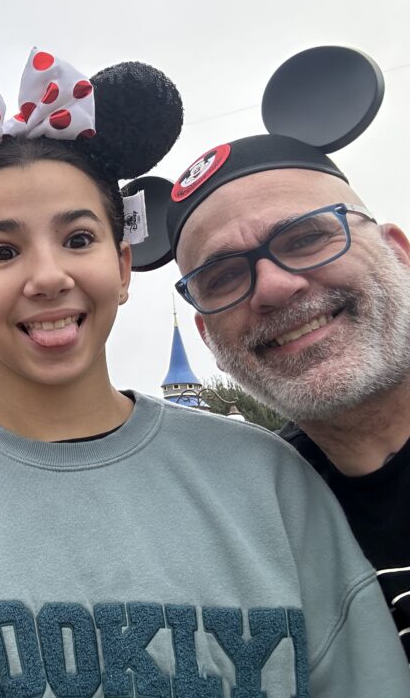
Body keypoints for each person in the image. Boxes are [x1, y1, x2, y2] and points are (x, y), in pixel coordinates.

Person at [0, 50, 410, 695]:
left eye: (77, 239)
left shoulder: (268, 480)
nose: (48, 277)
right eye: (3, 250)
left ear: (124, 266)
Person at [153, 45, 410, 659]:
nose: (273, 286)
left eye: (307, 237)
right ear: (208, 339)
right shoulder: (251, 519)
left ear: (400, 253)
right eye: (222, 277)